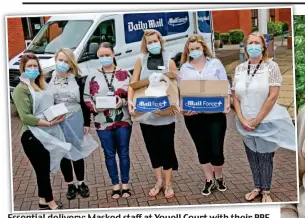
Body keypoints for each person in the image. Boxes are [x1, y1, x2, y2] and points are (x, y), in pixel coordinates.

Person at [232, 31, 295, 202]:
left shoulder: (271, 67)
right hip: (245, 122)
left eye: (256, 43)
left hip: (265, 120)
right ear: (245, 47)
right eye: (249, 43)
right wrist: (241, 118)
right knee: (252, 155)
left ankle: (266, 190)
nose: (252, 46)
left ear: (263, 46)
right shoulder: (240, 68)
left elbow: (273, 95)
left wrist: (258, 119)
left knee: (265, 156)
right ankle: (257, 186)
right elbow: (235, 97)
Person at [12, 53, 71, 210]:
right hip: (32, 135)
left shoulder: (41, 84)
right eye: (29, 67)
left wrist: (57, 113)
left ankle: (42, 200)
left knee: (43, 169)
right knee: (42, 171)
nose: (33, 69)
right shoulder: (20, 90)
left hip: (47, 132)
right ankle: (51, 203)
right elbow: (26, 117)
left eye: (35, 66)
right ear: (23, 69)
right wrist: (49, 123)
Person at [127, 29, 180, 199]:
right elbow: (133, 83)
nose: (153, 45)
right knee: (152, 150)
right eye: (149, 42)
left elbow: (175, 86)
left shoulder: (169, 60)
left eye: (155, 41)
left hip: (165, 115)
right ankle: (158, 181)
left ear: (160, 41)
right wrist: (129, 100)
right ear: (145, 44)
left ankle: (169, 183)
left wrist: (174, 105)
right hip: (146, 115)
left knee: (167, 149)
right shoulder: (141, 60)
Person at [178, 34, 231, 196]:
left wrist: (227, 102)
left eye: (197, 48)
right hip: (193, 116)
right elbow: (181, 92)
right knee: (202, 149)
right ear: (188, 49)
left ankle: (219, 176)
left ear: (203, 48)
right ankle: (209, 180)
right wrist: (183, 108)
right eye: (191, 48)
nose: (194, 51)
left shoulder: (215, 63)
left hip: (215, 113)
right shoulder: (184, 68)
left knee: (216, 150)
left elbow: (225, 84)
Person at [83, 42, 132, 199]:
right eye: (101, 55)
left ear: (113, 55)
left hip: (123, 119)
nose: (104, 58)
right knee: (109, 154)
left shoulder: (125, 73)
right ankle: (115, 185)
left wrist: (123, 102)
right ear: (98, 56)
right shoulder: (92, 75)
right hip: (102, 122)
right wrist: (96, 108)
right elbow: (86, 97)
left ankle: (125, 184)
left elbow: (133, 95)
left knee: (123, 153)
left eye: (107, 55)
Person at [48, 48, 98, 200]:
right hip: (58, 119)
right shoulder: (48, 79)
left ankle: (81, 182)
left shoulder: (77, 79)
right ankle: (70, 184)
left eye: (66, 61)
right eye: (60, 60)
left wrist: (87, 122)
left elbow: (84, 102)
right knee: (63, 151)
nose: (62, 63)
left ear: (71, 64)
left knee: (77, 150)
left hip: (75, 118)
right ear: (56, 60)